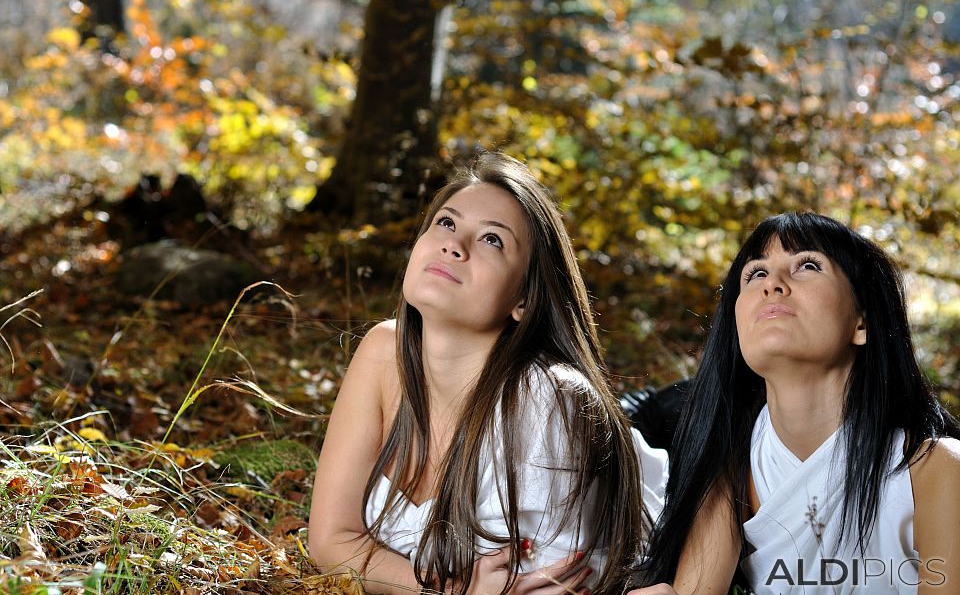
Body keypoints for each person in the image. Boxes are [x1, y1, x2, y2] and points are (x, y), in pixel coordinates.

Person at [309, 151, 668, 595]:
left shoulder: (546, 403)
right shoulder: (384, 351)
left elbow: (546, 586)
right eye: (445, 222)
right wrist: (449, 591)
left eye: (492, 240)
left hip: (663, 470)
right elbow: (331, 542)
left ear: (525, 300)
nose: (453, 245)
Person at [632, 212, 960, 594]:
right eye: (755, 274)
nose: (772, 284)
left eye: (807, 265)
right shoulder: (730, 470)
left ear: (862, 322)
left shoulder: (936, 470)